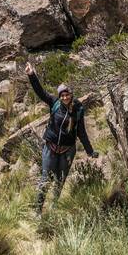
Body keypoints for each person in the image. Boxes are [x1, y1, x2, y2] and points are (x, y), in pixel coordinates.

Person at [25, 61, 96, 214]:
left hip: (67, 151)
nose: (64, 97)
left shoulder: (78, 109)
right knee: (45, 180)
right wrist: (32, 75)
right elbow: (40, 92)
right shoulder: (54, 103)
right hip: (50, 149)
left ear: (71, 94)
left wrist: (90, 151)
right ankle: (37, 211)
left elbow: (81, 132)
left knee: (60, 182)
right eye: (62, 95)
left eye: (67, 94)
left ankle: (53, 210)